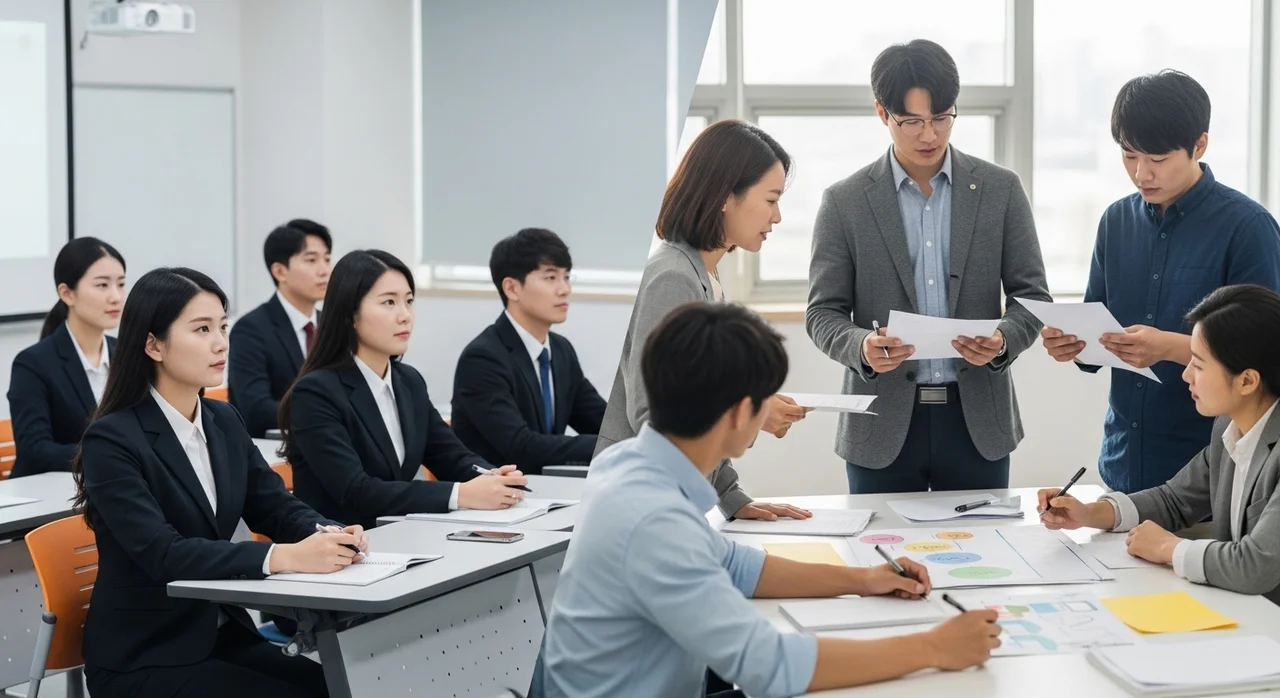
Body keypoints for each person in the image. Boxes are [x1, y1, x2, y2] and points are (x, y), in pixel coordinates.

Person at [537, 302, 1001, 698]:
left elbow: (736, 567)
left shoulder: (630, 466)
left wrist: (865, 579)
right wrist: (935, 647)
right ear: (742, 411)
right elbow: (769, 666)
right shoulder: (654, 519)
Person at [75, 266, 368, 698]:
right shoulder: (112, 439)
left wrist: (327, 533)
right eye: (202, 329)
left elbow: (274, 506)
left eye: (223, 326)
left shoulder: (222, 419)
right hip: (144, 657)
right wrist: (285, 557)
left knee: (342, 687)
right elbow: (164, 554)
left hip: (220, 636)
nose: (220, 342)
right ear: (153, 344)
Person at [807, 39, 1051, 494]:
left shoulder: (1001, 190)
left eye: (941, 118)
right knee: (884, 560)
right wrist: (861, 346)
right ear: (882, 113)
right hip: (881, 426)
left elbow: (1032, 298)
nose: (929, 135)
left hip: (977, 422)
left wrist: (1002, 341)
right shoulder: (845, 202)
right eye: (912, 121)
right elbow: (821, 314)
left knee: (987, 559)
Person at [1041, 70, 1280, 493]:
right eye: (1129, 156)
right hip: (1120, 467)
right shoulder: (1116, 221)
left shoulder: (1248, 227)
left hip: (1208, 478)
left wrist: (1168, 347)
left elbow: (1264, 358)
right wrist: (1073, 346)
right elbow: (1097, 335)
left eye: (1157, 159)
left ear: (1199, 145)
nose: (1141, 174)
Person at [597, 119, 810, 522]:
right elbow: (658, 417)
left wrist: (733, 498)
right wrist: (754, 414)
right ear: (726, 197)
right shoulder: (672, 277)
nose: (778, 216)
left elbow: (700, 398)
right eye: (771, 199)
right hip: (633, 502)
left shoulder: (705, 274)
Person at [1039, 284, 1280, 604]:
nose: (1186, 376)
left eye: (1199, 364)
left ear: (1247, 380)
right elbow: (1174, 500)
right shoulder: (1232, 427)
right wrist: (1088, 514)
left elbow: (1255, 566)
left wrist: (1169, 548)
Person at [279, 249, 528, 531]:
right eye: (389, 302)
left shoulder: (408, 381)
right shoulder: (316, 393)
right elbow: (357, 491)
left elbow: (450, 456)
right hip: (339, 551)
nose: (405, 315)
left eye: (409, 301)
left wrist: (491, 476)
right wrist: (462, 494)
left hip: (398, 538)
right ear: (350, 314)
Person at [451, 228, 607, 473]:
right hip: (495, 500)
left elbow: (601, 421)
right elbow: (521, 446)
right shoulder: (482, 359)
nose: (564, 289)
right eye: (550, 277)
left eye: (567, 277)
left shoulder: (561, 350)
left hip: (551, 490)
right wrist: (609, 445)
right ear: (512, 289)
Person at [7, 237, 125, 477]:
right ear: (67, 293)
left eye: (121, 284)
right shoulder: (32, 364)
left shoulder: (126, 354)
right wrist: (111, 456)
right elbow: (35, 450)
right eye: (102, 285)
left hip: (115, 487)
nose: (116, 296)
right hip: (51, 497)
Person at [229, 219, 332, 437]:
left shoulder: (332, 324)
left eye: (327, 259)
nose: (324, 270)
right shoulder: (251, 330)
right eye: (312, 260)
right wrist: (325, 415)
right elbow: (255, 409)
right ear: (280, 271)